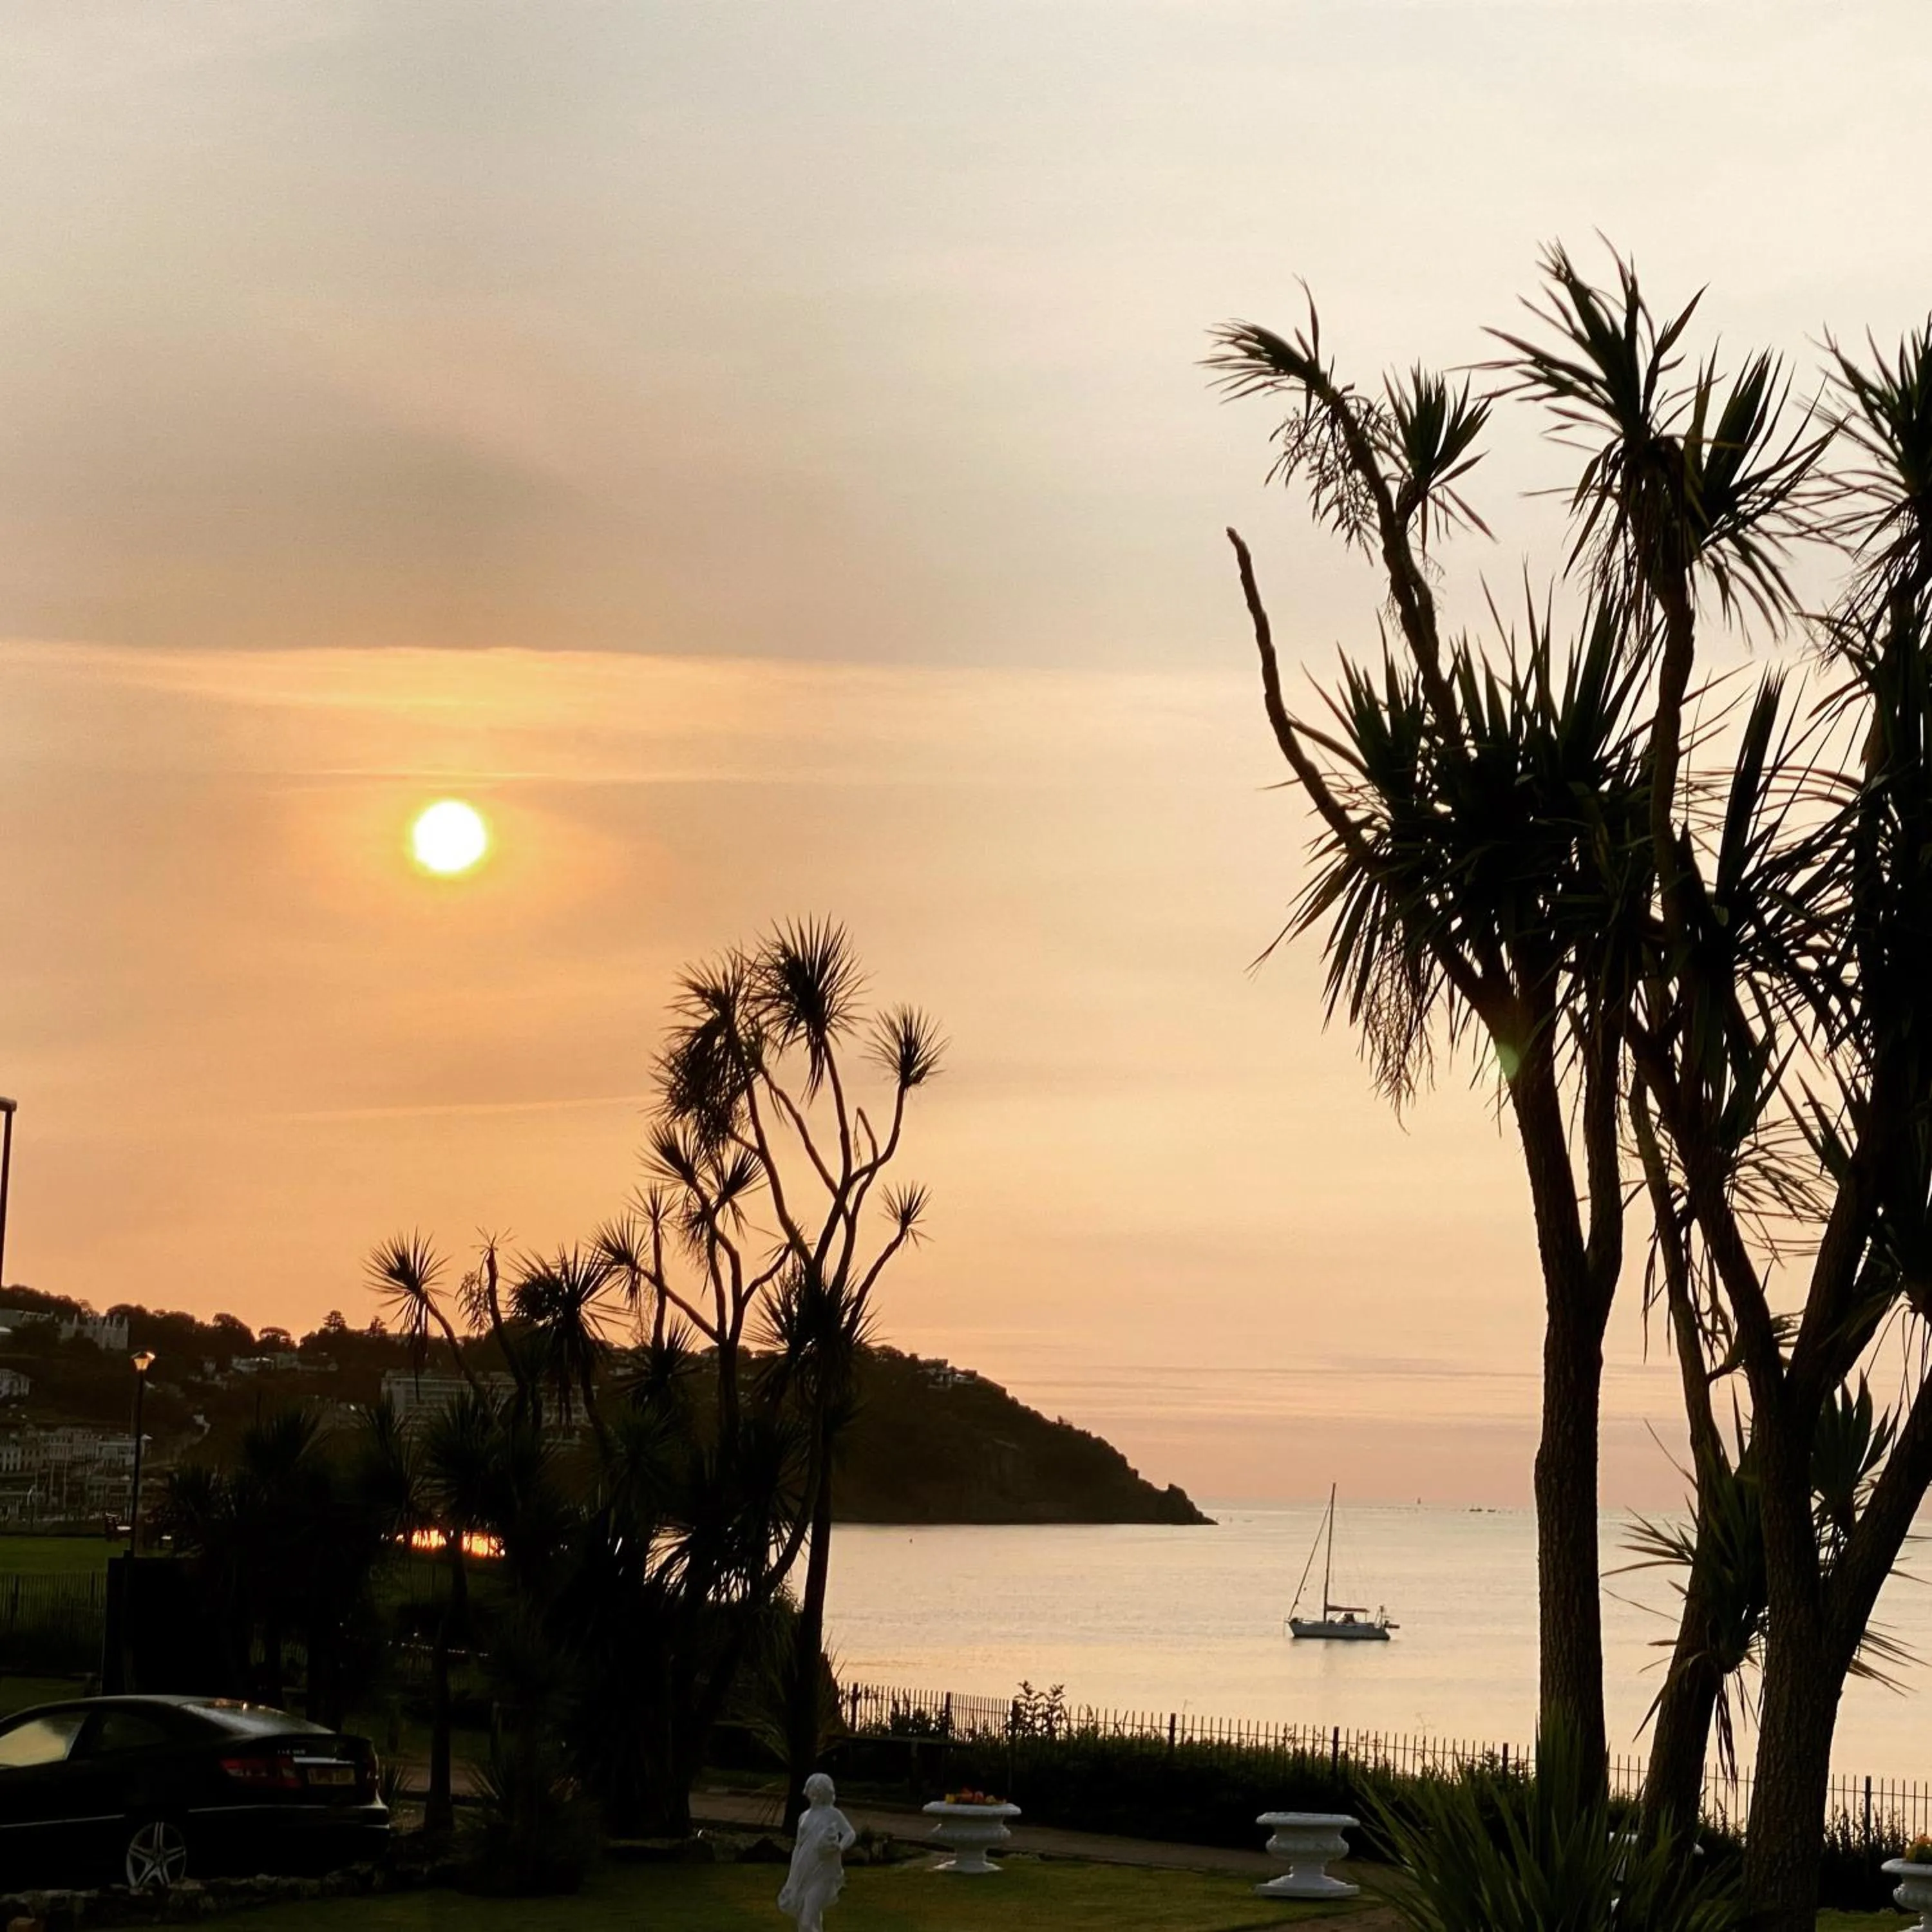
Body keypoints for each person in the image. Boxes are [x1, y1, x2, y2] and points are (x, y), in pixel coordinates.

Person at [777, 1772, 857, 1931]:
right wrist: (793, 1874)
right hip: (805, 1869)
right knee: (806, 1915)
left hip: (823, 1871)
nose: (814, 1795)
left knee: (807, 1919)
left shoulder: (833, 1814)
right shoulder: (804, 1816)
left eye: (818, 1791)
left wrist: (839, 1848)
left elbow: (850, 1834)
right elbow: (799, 1846)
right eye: (812, 1791)